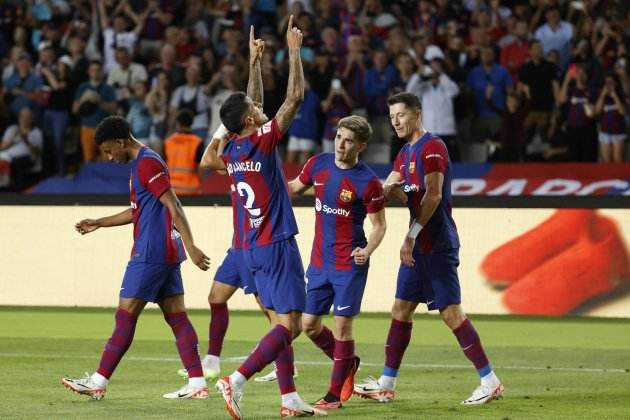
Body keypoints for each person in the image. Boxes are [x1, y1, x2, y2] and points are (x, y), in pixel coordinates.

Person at [200, 17, 325, 418]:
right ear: (252, 121)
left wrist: (253, 63)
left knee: (277, 322)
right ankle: (235, 381)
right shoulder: (262, 139)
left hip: (250, 247)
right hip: (275, 244)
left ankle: (289, 399)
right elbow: (295, 100)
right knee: (289, 326)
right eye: (256, 109)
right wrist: (293, 51)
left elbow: (247, 108)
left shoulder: (233, 150)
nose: (259, 108)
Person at [353, 92, 503, 405]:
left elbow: (433, 197)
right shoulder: (404, 153)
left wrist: (409, 236)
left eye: (401, 115)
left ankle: (490, 381)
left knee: (451, 314)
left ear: (417, 114)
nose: (395, 121)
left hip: (436, 244)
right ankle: (386, 384)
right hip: (419, 247)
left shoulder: (432, 147)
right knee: (401, 310)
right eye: (392, 116)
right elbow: (387, 188)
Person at [61, 116, 211, 401]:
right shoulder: (141, 164)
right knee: (177, 317)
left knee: (125, 315)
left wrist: (192, 246)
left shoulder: (148, 163)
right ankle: (197, 383)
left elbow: (174, 204)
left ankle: (98, 381)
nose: (108, 157)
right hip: (164, 250)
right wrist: (100, 222)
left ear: (120, 142)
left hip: (151, 252)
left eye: (108, 150)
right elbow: (138, 210)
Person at [288, 115, 387, 410]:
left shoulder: (368, 182)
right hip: (319, 262)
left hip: (348, 266)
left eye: (348, 140)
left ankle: (333, 395)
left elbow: (379, 225)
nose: (341, 144)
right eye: (339, 137)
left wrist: (367, 249)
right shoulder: (318, 164)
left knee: (342, 328)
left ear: (361, 146)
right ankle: (347, 362)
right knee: (309, 325)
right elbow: (293, 187)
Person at [163, 109, 203, 195]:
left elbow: (163, 167)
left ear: (178, 123)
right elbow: (200, 169)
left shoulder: (168, 142)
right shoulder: (197, 142)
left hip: (171, 190)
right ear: (192, 123)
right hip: (191, 190)